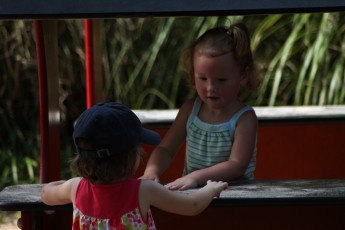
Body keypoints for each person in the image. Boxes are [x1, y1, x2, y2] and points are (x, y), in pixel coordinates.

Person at [41, 102, 228, 229]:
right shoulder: (143, 190)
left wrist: (61, 185)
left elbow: (46, 195)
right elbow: (192, 205)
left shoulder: (75, 188)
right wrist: (211, 189)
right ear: (131, 157)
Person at [141, 22, 260, 190]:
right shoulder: (190, 110)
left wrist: (195, 177)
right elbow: (166, 149)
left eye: (221, 80)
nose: (211, 88)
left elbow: (237, 165)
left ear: (243, 75)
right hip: (193, 198)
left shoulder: (244, 118)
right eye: (203, 78)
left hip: (234, 199)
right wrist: (151, 171)